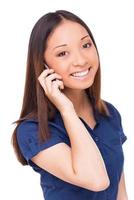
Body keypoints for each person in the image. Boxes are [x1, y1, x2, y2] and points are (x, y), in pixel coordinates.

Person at [11, 10, 128, 200]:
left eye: (86, 45)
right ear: (44, 66)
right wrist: (67, 109)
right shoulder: (34, 130)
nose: (81, 60)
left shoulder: (108, 113)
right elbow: (97, 180)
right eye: (63, 53)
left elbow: (120, 193)